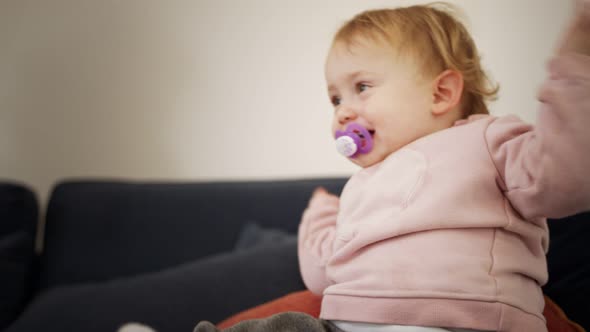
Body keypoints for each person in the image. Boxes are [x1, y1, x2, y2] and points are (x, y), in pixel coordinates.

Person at [194, 1, 590, 331]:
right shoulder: (362, 185)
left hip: (461, 320)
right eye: (335, 99)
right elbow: (323, 272)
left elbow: (564, 172)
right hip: (347, 324)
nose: (343, 111)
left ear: (441, 92)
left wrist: (576, 61)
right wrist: (321, 214)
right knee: (283, 325)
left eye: (362, 87)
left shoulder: (488, 142)